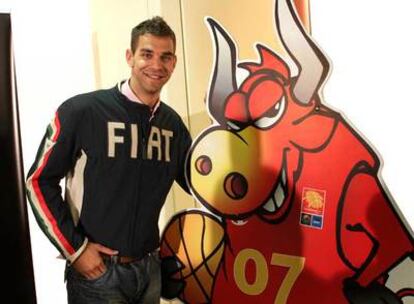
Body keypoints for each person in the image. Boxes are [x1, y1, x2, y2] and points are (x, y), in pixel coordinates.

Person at [26, 16, 191, 304]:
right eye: (147, 54)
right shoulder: (83, 111)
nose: (156, 65)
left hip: (150, 270)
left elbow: (197, 180)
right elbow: (38, 181)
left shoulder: (172, 125)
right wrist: (75, 250)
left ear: (174, 63)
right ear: (130, 56)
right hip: (98, 274)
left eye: (165, 57)